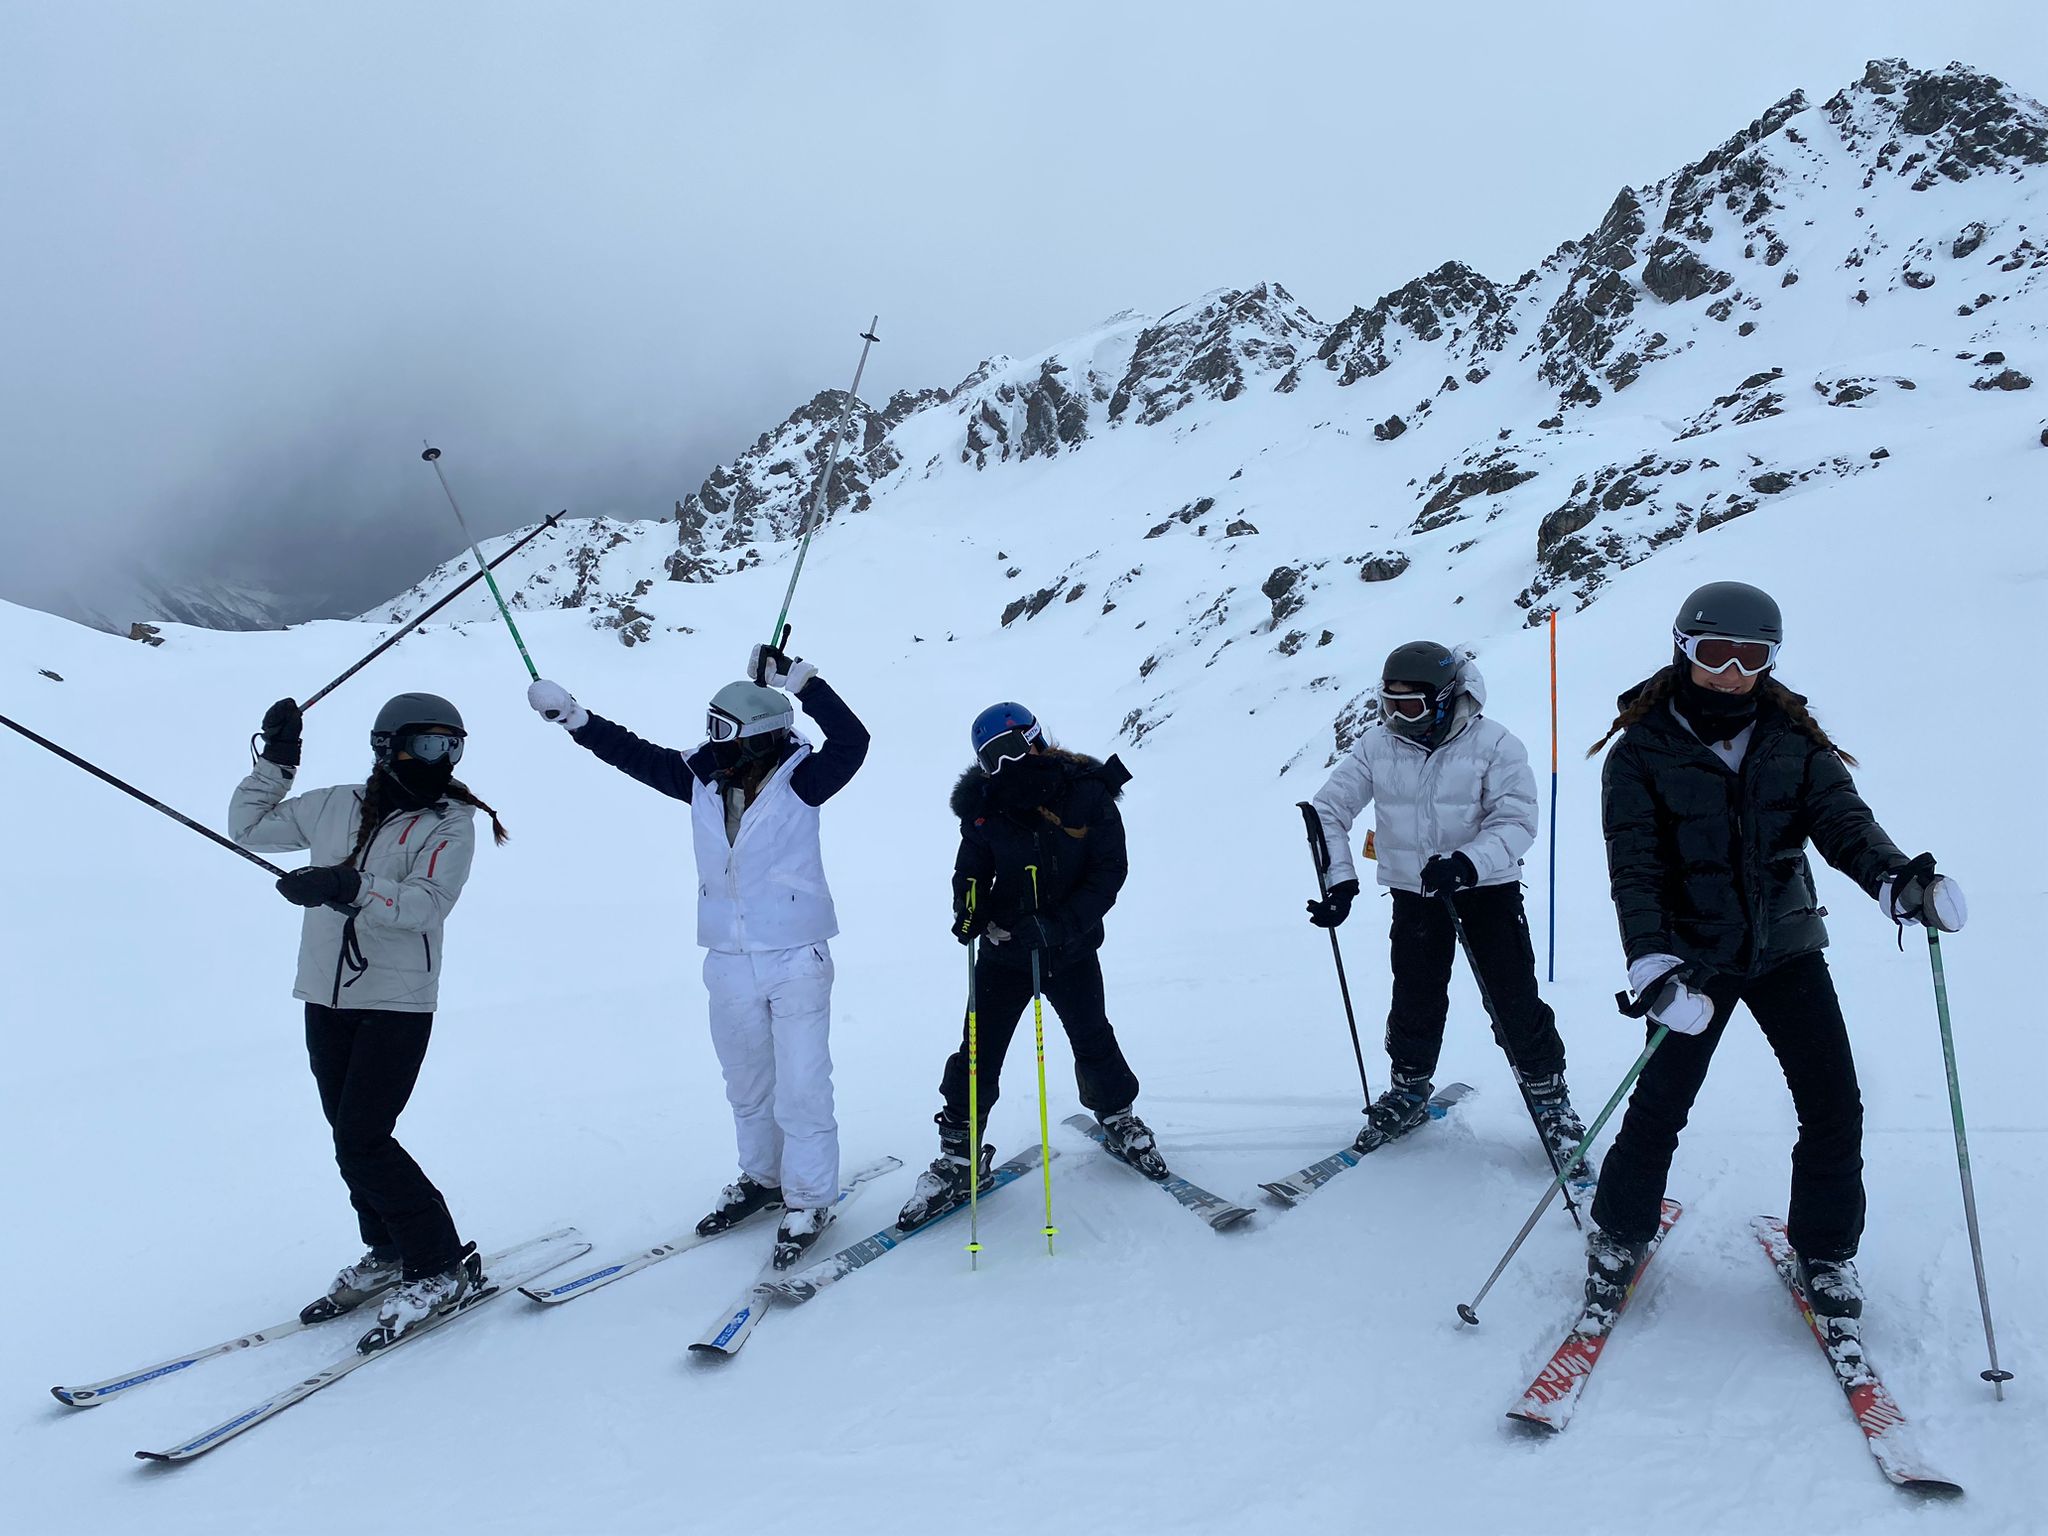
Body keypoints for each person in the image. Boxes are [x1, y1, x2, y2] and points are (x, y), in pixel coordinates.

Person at [1587, 581, 1966, 1323]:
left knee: (1832, 1103)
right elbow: (1635, 870)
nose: (1731, 671)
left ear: (1769, 659)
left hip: (1787, 950)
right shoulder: (1640, 753)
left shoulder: (1793, 741)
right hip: (1692, 961)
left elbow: (1845, 824)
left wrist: (1898, 883)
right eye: (1715, 653)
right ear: (1683, 649)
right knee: (1660, 1103)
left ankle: (1824, 1251)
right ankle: (1619, 1234)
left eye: (1750, 655)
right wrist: (1652, 964)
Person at [526, 643, 868, 1268]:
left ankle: (812, 1198)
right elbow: (632, 753)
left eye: (722, 730)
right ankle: (764, 1179)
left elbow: (854, 741)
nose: (710, 740)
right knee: (747, 1083)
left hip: (795, 955)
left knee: (801, 1084)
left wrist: (805, 686)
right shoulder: (703, 775)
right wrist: (576, 719)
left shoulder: (805, 779)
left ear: (758, 737)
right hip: (727, 957)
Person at [230, 691, 507, 1349]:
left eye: (454, 746)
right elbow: (249, 827)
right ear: (388, 746)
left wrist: (346, 886)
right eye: (431, 744)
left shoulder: (450, 822)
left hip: (396, 999)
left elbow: (426, 905)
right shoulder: (335, 804)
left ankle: (440, 1263)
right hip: (326, 997)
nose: (443, 759)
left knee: (364, 1137)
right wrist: (279, 759)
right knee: (346, 1133)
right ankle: (387, 1249)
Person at [1306, 641, 1592, 1174]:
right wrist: (1341, 881)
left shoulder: (1494, 744)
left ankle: (1551, 1100)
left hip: (1485, 890)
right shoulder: (1377, 746)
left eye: (1409, 707)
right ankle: (1409, 1089)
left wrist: (1466, 863)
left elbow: (1517, 822)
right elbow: (1328, 808)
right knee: (1415, 995)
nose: (1396, 718)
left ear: (1444, 699)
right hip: (1415, 895)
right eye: (1387, 705)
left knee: (1511, 999)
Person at [898, 701, 1157, 1227]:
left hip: (1071, 947)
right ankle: (959, 1154)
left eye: (1013, 749)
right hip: (1006, 950)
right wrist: (968, 908)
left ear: (1037, 739)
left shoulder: (1087, 791)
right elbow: (970, 869)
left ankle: (1117, 1115)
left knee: (1092, 1035)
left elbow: (1109, 871)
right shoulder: (985, 808)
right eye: (991, 759)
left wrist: (1059, 926)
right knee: (978, 1049)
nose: (1006, 766)